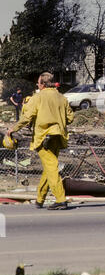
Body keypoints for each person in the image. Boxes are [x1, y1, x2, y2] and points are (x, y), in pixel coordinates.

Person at [7, 72, 74, 210]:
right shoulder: (62, 98)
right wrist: (58, 119)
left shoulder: (37, 97)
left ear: (42, 84)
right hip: (58, 136)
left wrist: (13, 129)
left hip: (44, 138)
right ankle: (40, 199)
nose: (37, 84)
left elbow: (27, 117)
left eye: (38, 82)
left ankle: (61, 200)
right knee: (49, 167)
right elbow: (70, 118)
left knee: (51, 168)